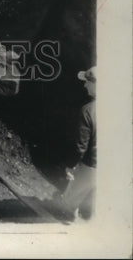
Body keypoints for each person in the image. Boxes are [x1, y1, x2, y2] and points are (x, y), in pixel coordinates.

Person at [56, 67, 97, 220]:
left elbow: (80, 146)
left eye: (87, 82)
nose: (85, 85)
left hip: (91, 166)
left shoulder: (88, 111)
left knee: (68, 202)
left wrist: (71, 165)